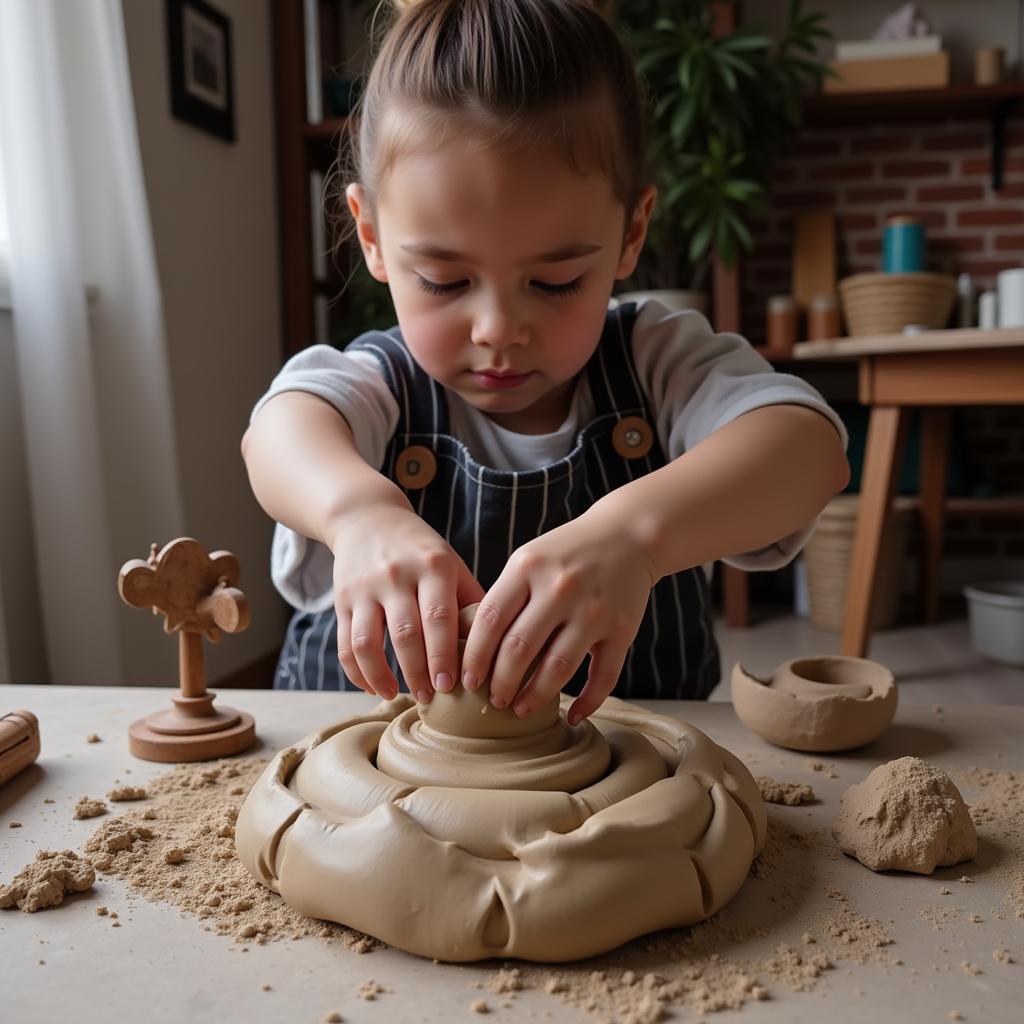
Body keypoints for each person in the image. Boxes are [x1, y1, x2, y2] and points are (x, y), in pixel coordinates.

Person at [242, 0, 850, 725]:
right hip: (368, 784)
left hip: (612, 791)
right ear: (371, 236)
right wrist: (359, 514)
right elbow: (280, 430)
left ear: (631, 234)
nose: (499, 331)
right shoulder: (378, 382)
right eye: (445, 281)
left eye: (556, 282)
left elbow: (810, 450)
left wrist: (635, 537)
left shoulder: (655, 361)